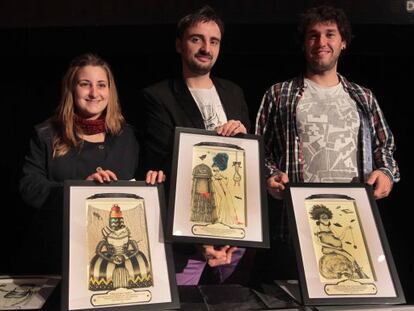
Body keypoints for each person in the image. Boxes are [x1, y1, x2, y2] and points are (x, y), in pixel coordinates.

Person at [254, 5, 400, 282]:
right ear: (304, 43)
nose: (321, 42)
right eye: (313, 35)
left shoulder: (362, 97)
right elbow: (259, 151)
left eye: (330, 34)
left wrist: (386, 173)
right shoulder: (279, 94)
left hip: (353, 222)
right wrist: (269, 176)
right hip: (297, 222)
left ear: (343, 42)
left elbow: (385, 148)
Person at [19, 53, 164, 273]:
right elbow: (29, 186)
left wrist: (153, 179)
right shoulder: (46, 134)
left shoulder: (129, 136)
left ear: (110, 91)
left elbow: (144, 182)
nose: (94, 93)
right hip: (61, 253)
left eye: (101, 85)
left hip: (118, 257)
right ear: (72, 89)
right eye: (85, 84)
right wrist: (78, 191)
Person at [137, 6, 251, 285]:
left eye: (213, 41)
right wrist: (199, 236)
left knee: (233, 301)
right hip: (187, 234)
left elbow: (248, 167)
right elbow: (163, 163)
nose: (206, 48)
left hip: (235, 231)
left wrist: (245, 139)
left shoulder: (234, 92)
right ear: (179, 44)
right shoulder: (158, 96)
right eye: (196, 39)